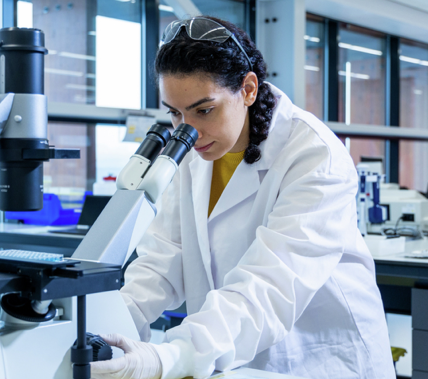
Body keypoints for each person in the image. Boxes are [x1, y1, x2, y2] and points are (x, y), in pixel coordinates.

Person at [90, 16, 395, 379]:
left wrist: (171, 357)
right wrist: (104, 326)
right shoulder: (193, 154)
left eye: (204, 110)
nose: (188, 131)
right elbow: (161, 262)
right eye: (175, 113)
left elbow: (271, 287)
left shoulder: (313, 155)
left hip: (319, 360)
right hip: (233, 354)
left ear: (248, 89)